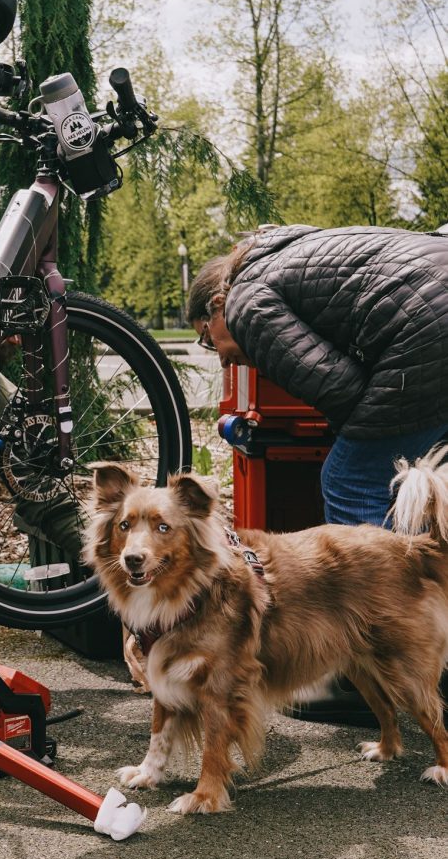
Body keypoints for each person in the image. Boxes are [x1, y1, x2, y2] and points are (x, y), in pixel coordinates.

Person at [187, 223, 448, 724]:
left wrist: (347, 440)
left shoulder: (244, 302)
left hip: (427, 331)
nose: (220, 354)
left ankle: (370, 667)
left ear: (216, 307)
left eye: (207, 338)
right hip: (433, 312)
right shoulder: (287, 254)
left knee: (349, 478)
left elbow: (337, 387)